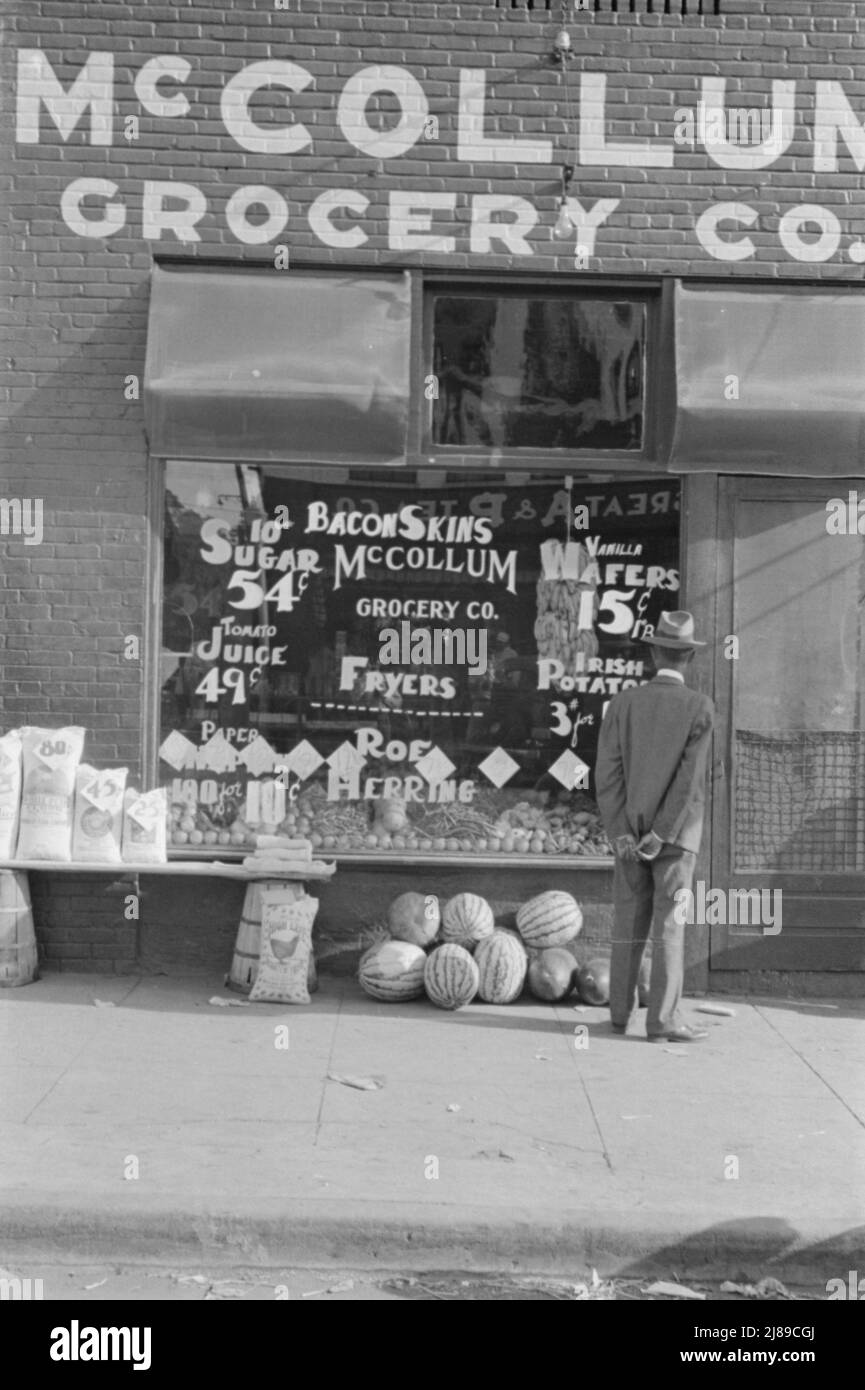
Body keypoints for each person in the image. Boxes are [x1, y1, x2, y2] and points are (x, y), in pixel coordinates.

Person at [595, 611, 715, 1043]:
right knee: (669, 926)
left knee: (627, 921)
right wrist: (662, 833)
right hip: (676, 838)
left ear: (652, 653)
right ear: (689, 657)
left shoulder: (623, 703)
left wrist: (622, 831)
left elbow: (607, 775)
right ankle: (662, 1022)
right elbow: (689, 782)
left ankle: (617, 1015)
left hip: (628, 832)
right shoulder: (700, 707)